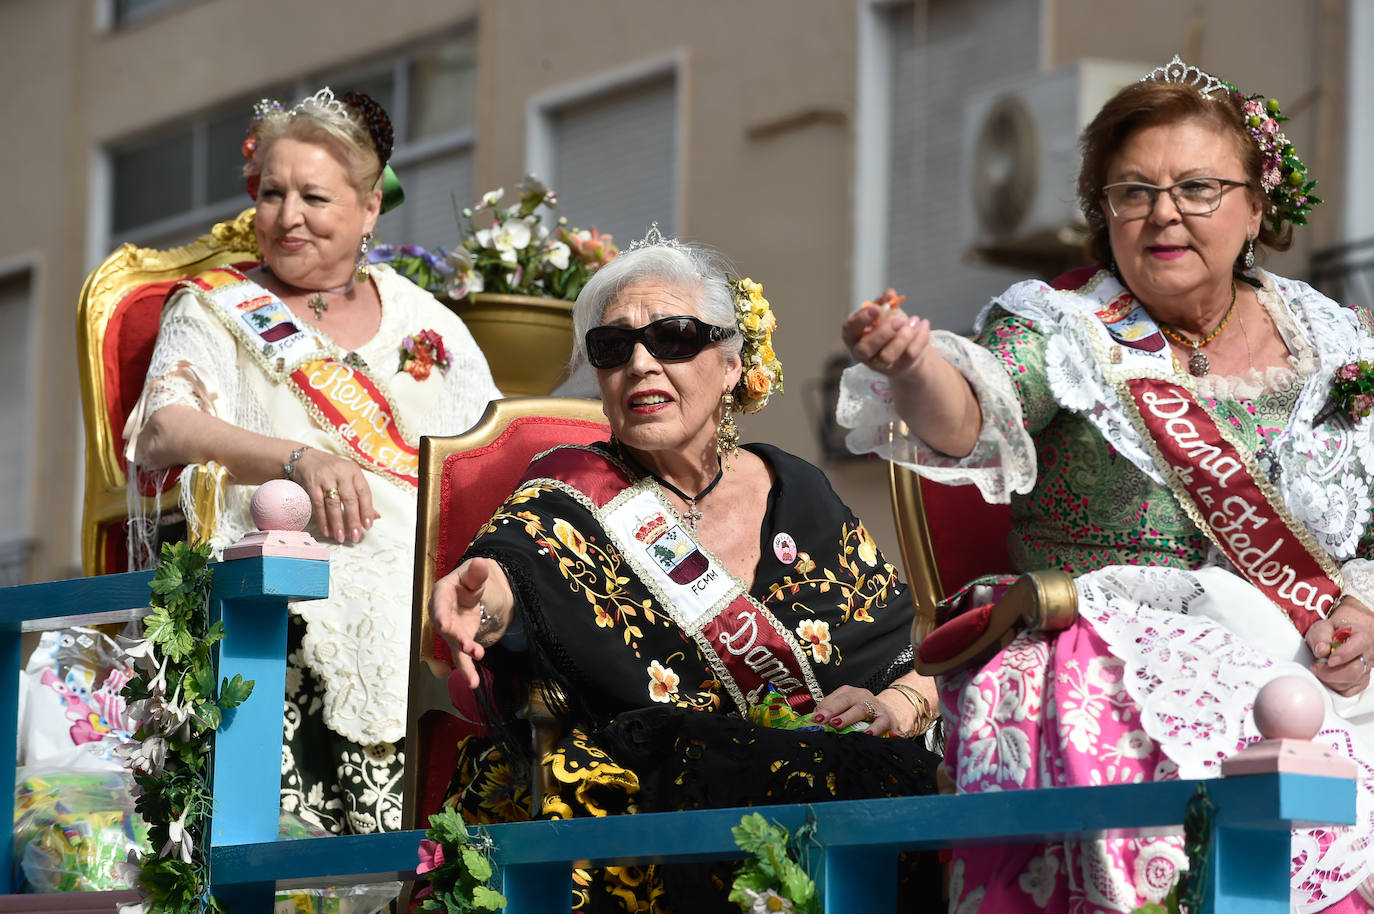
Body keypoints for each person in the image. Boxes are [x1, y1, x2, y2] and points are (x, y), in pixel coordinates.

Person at [839, 55, 1374, 912]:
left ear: (1256, 206)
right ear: (1105, 213)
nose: (1164, 213)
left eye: (1197, 187)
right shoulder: (1067, 332)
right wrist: (913, 367)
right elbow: (977, 411)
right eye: (1134, 191)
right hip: (1116, 638)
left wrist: (1365, 607)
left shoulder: (1335, 341)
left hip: (1320, 659)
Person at [430, 232, 943, 912]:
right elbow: (512, 575)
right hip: (641, 801)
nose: (641, 363)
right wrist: (479, 601)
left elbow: (916, 659)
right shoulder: (570, 490)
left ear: (732, 364)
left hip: (822, 787)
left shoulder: (799, 491)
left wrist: (889, 707)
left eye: (673, 337)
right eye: (613, 348)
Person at [123, 88, 500, 835]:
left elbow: (489, 447)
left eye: (314, 196)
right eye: (272, 193)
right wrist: (296, 459)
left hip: (430, 566)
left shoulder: (428, 320)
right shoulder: (214, 309)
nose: (288, 215)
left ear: (368, 210)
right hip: (288, 570)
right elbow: (162, 428)